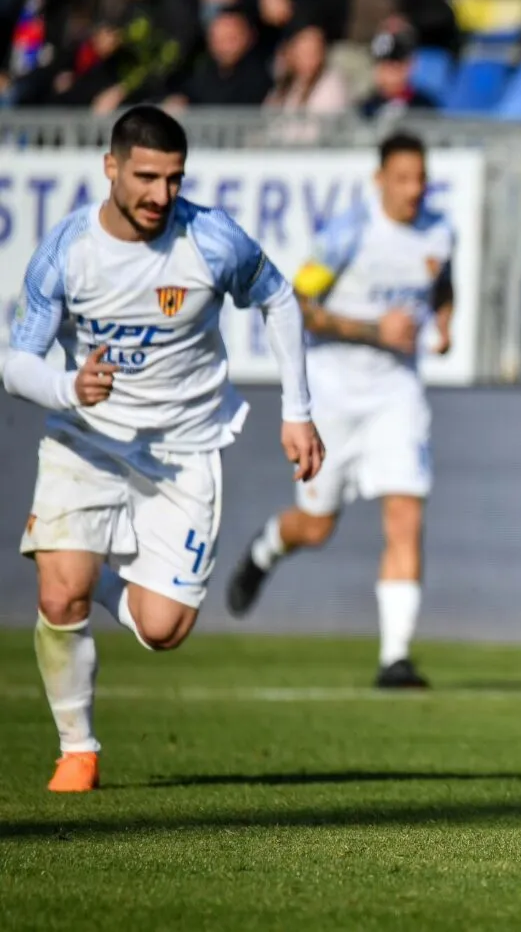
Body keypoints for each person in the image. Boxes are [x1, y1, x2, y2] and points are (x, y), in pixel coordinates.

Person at [2, 105, 323, 793]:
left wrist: (298, 413)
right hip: (86, 438)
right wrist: (67, 386)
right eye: (147, 177)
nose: (161, 195)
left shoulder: (209, 240)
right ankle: (77, 750)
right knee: (60, 598)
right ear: (111, 168)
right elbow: (16, 361)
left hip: (184, 446)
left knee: (163, 628)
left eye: (174, 179)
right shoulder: (67, 251)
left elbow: (280, 301)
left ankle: (93, 576)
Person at [226, 132, 454, 690]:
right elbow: (298, 306)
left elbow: (442, 281)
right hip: (333, 394)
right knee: (317, 525)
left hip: (396, 394)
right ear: (380, 181)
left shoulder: (440, 231)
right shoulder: (349, 233)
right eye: (402, 179)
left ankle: (394, 659)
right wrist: (376, 330)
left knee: (406, 513)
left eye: (420, 178)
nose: (413, 189)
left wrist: (444, 322)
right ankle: (266, 548)